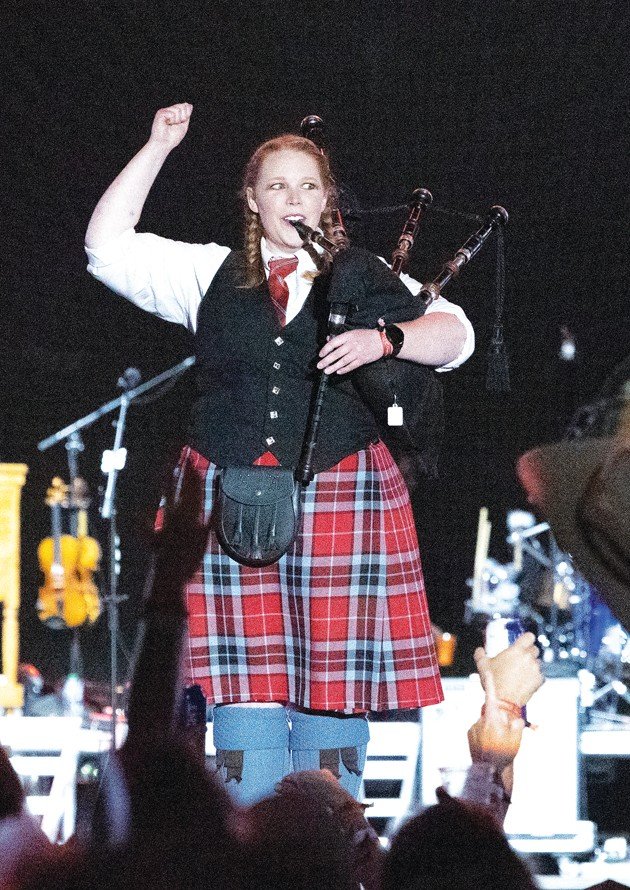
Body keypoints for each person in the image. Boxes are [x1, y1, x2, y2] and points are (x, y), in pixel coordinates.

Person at [84, 102, 475, 805]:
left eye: (307, 186)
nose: (292, 199)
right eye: (276, 186)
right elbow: (107, 248)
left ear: (327, 199)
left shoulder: (363, 274)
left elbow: (456, 336)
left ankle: (329, 849)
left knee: (333, 688)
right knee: (243, 688)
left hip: (341, 489)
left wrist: (386, 339)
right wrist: (156, 147)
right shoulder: (208, 273)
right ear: (251, 199)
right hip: (224, 487)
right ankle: (253, 842)